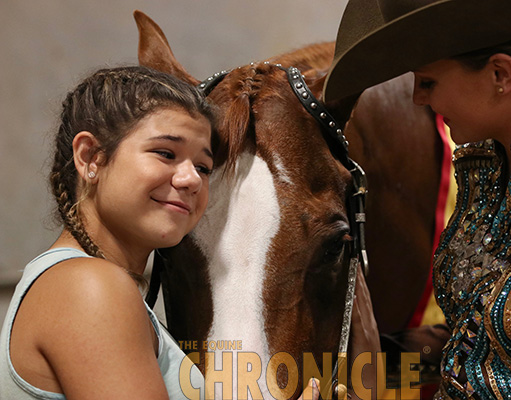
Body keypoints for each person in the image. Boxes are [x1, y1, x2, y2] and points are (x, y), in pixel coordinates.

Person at [324, 0, 511, 398]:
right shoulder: (486, 175)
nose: (417, 98)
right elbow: (476, 343)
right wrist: (363, 368)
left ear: (500, 74)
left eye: (429, 81)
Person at [0, 65, 322, 400]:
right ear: (91, 157)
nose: (192, 179)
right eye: (166, 153)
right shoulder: (90, 287)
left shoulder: (88, 283)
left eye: (203, 167)